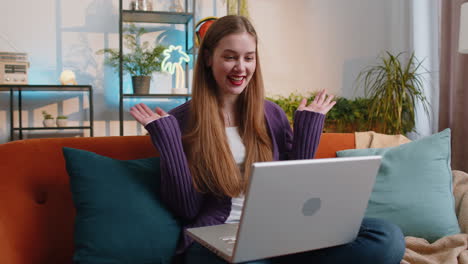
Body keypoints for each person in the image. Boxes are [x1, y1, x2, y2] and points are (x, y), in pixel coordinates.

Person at [130, 15, 405, 264]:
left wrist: (306, 130)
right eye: (230, 57)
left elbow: (297, 193)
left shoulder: (271, 113)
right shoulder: (180, 121)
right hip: (216, 241)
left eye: (249, 57)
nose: (241, 67)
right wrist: (169, 143)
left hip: (278, 234)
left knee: (386, 238)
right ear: (208, 59)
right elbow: (186, 210)